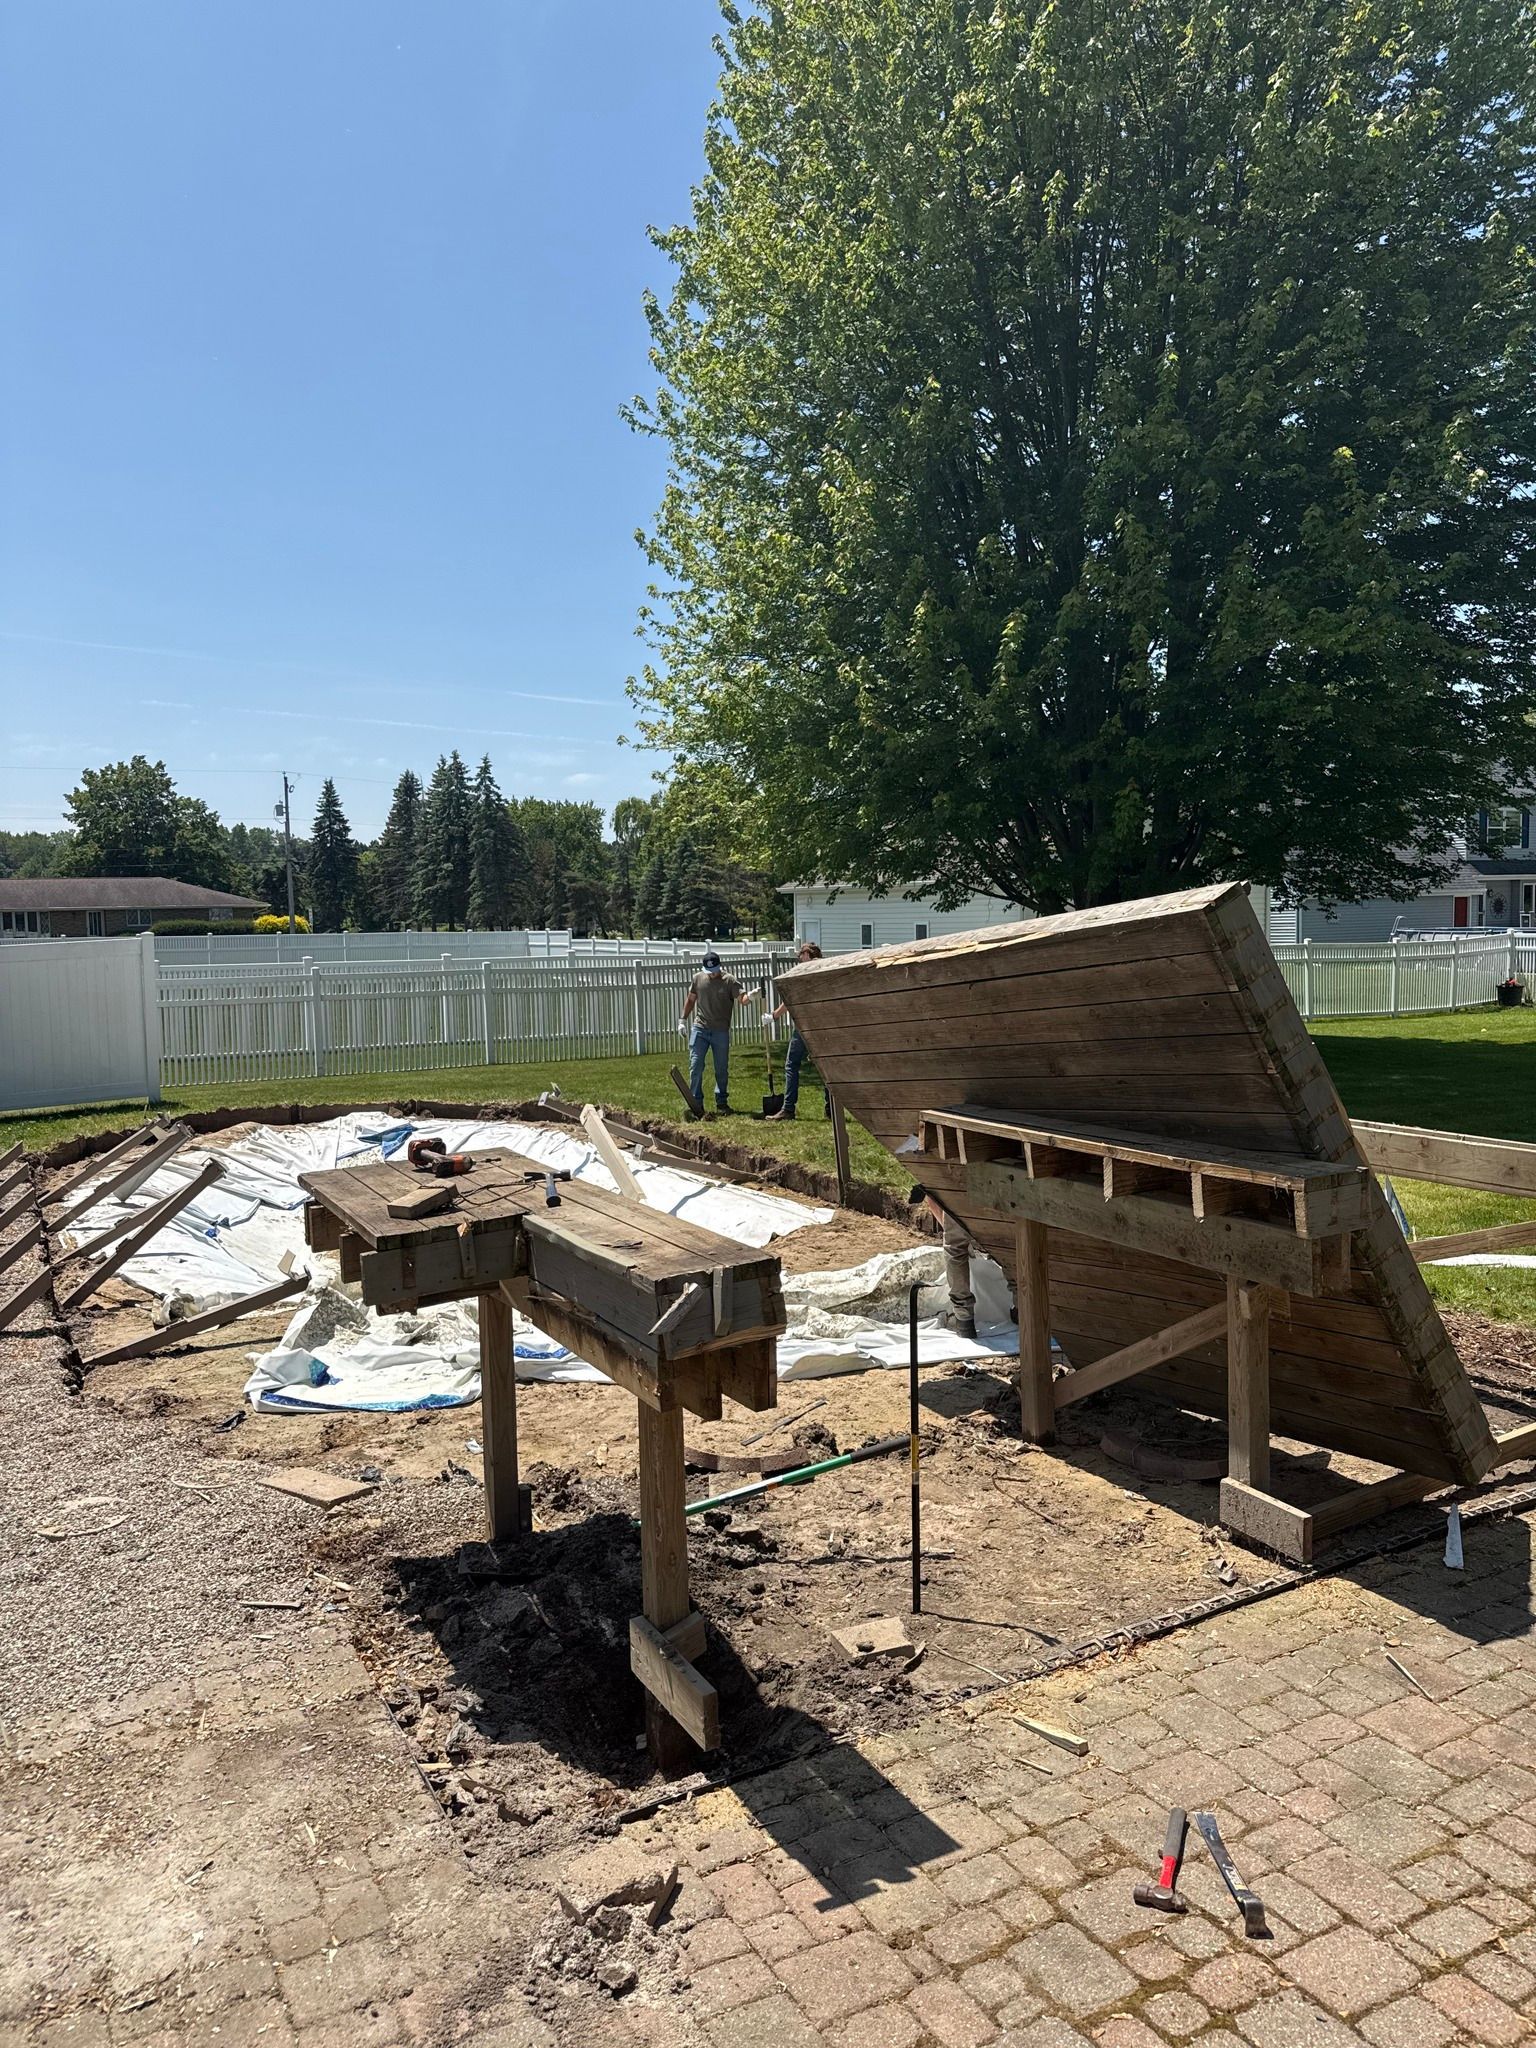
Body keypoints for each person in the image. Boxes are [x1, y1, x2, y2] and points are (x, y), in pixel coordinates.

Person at [680, 951, 757, 1113]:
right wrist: (683, 1020)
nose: (712, 973)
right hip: (700, 1028)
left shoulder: (729, 980)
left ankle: (721, 1102)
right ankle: (696, 1103)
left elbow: (742, 999)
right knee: (695, 1065)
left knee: (721, 1068)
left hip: (720, 1031)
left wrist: (749, 997)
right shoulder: (698, 979)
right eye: (709, 971)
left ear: (719, 966)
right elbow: (691, 999)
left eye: (714, 970)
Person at [766, 940, 822, 1119]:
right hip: (822, 1026)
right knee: (826, 1067)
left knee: (791, 1064)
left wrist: (773, 1016)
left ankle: (788, 1108)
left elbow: (790, 1001)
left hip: (804, 1026)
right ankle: (832, 1109)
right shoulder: (825, 971)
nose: (800, 960)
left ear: (807, 955)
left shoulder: (804, 973)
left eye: (801, 956)